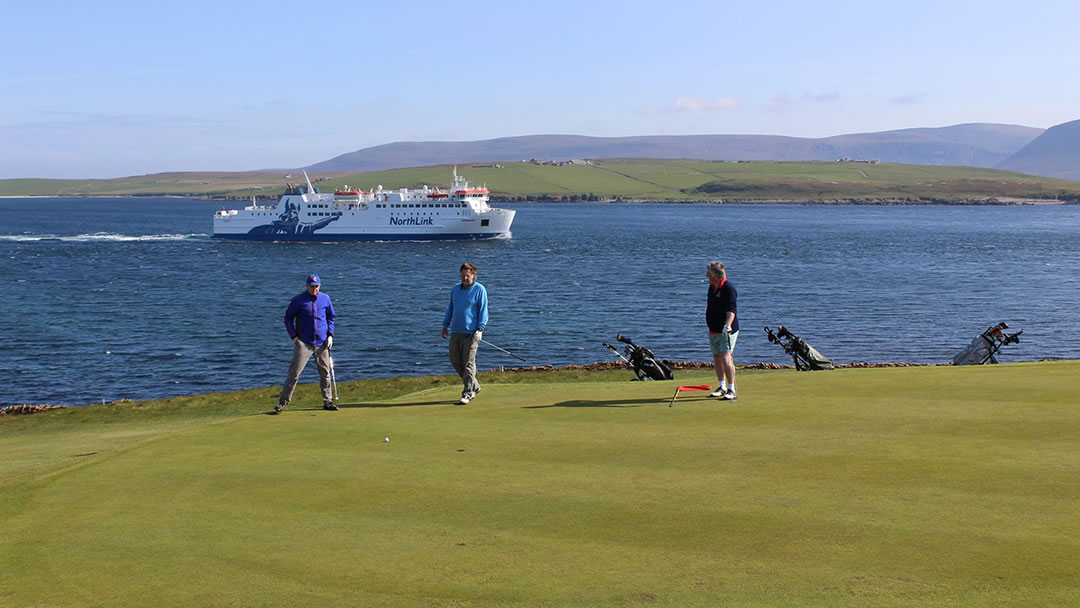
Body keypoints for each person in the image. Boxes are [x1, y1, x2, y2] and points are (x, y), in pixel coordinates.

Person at [275, 273, 337, 413]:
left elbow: (331, 317)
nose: (315, 289)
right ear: (306, 286)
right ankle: (283, 402)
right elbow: (288, 319)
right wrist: (294, 337)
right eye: (312, 286)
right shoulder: (298, 300)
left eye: (317, 286)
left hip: (322, 343)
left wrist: (330, 335)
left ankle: (328, 401)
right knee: (294, 373)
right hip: (304, 342)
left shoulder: (325, 299)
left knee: (325, 373)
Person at [441, 262, 488, 404]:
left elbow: (483, 311)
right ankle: (475, 385)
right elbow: (451, 309)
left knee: (468, 363)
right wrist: (445, 326)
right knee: (455, 360)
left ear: (473, 275)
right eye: (462, 276)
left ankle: (468, 393)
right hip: (456, 331)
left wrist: (480, 329)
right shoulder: (455, 289)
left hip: (471, 333)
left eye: (467, 276)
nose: (464, 279)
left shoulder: (480, 290)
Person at [706, 261, 739, 401]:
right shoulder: (711, 288)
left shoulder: (728, 288)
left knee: (726, 357)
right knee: (717, 358)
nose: (706, 275)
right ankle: (722, 386)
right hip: (713, 330)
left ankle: (731, 389)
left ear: (714, 275)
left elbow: (731, 310)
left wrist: (727, 325)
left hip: (727, 330)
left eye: (708, 273)